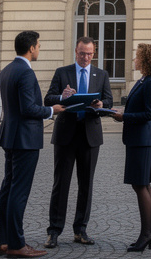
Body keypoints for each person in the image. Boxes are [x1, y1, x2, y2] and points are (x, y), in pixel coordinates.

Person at [0, 30, 64, 258]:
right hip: (25, 139)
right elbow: (28, 109)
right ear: (31, 48)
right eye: (38, 45)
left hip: (10, 136)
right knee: (19, 192)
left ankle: (4, 241)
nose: (39, 48)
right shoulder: (25, 73)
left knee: (8, 188)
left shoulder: (6, 70)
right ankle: (17, 244)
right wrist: (50, 110)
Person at [42, 36, 112, 248]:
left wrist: (101, 103)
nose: (85, 58)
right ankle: (54, 231)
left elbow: (109, 100)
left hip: (90, 135)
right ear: (75, 51)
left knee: (86, 185)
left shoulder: (101, 74)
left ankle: (80, 229)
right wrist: (62, 97)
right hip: (66, 134)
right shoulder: (62, 72)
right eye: (82, 54)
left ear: (94, 53)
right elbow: (48, 99)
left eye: (89, 54)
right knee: (60, 184)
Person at [111, 42, 151, 253]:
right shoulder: (143, 80)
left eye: (137, 56)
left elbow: (150, 114)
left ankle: (146, 234)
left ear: (145, 60)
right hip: (138, 138)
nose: (134, 59)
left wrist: (125, 116)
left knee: (141, 185)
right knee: (141, 185)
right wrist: (120, 113)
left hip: (143, 139)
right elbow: (137, 108)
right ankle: (147, 233)